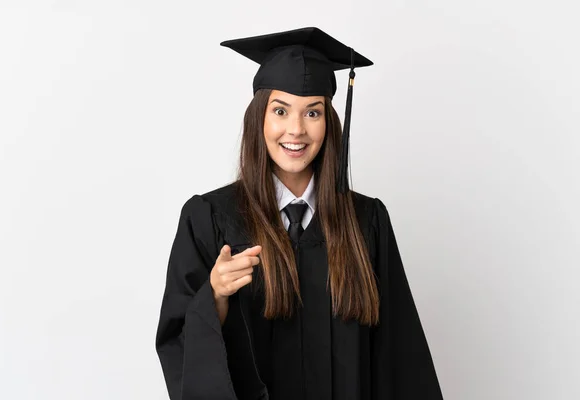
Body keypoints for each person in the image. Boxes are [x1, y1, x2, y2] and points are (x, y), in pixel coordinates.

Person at [155, 27, 443, 400]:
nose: (296, 129)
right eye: (280, 110)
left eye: (313, 112)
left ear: (329, 123)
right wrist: (215, 298)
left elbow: (400, 357)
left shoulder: (365, 222)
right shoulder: (210, 219)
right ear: (258, 118)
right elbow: (179, 345)